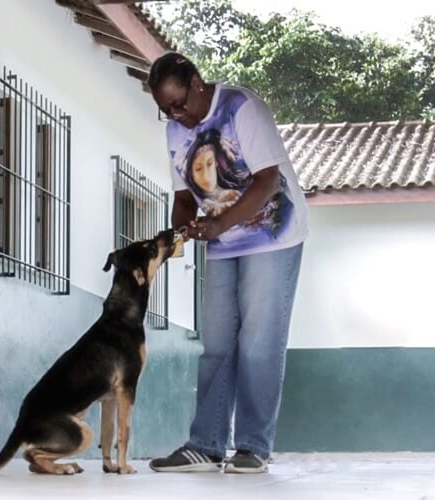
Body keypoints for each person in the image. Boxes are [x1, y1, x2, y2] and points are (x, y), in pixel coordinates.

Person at [147, 53, 309, 474]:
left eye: (180, 103)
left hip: (273, 235)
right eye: (166, 109)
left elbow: (267, 180)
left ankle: (253, 445)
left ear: (197, 83)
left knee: (258, 341)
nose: (176, 115)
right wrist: (185, 231)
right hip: (223, 242)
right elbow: (184, 199)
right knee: (216, 343)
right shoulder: (174, 132)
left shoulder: (241, 108)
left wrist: (217, 225)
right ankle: (207, 443)